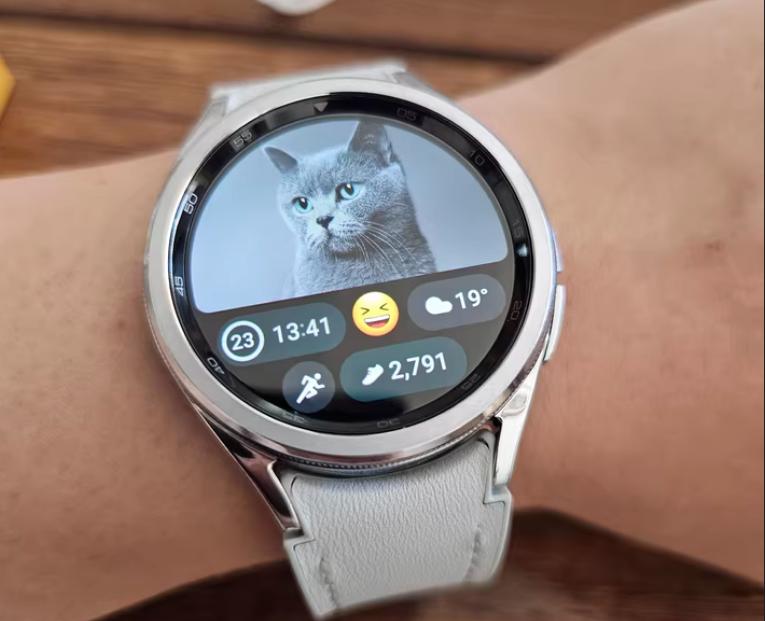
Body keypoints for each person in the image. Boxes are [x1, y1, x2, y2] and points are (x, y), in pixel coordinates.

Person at [0, 0, 761, 619]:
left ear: (387, 164)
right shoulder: (303, 257)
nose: (322, 217)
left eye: (344, 191)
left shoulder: (402, 207)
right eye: (302, 205)